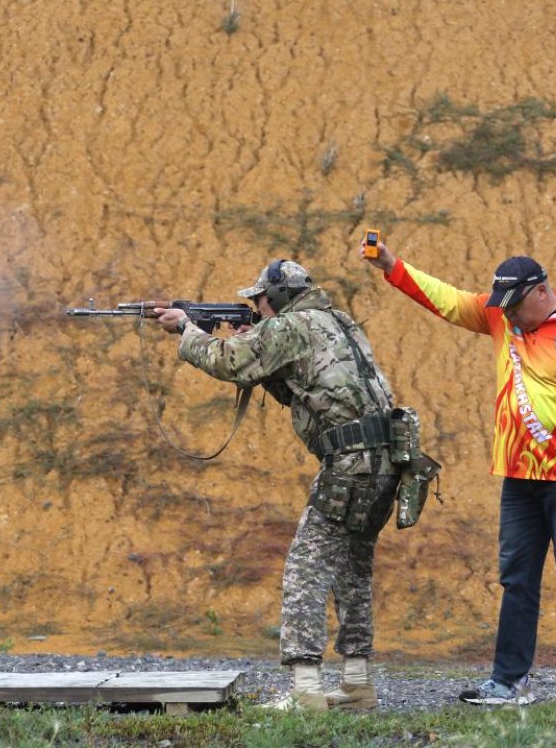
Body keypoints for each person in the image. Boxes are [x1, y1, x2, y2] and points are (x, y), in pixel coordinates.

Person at [361, 239, 556, 707]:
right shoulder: (502, 316)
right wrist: (393, 267)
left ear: (541, 291)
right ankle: (509, 682)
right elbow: (448, 301)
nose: (507, 314)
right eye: (503, 306)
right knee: (516, 579)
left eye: (515, 305)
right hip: (518, 475)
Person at [153, 259, 400, 711]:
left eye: (262, 300)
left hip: (350, 462)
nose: (259, 307)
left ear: (281, 297)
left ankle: (306, 691)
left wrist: (187, 330)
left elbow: (228, 361)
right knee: (352, 570)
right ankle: (357, 684)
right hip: (387, 460)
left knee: (305, 571)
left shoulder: (289, 326)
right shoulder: (336, 321)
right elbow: (303, 386)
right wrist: (255, 342)